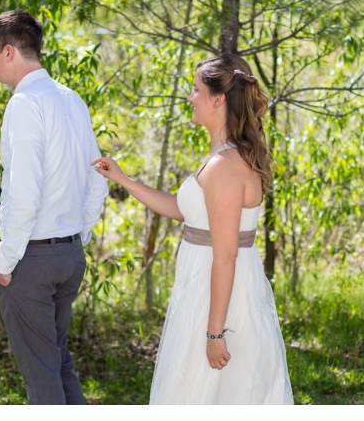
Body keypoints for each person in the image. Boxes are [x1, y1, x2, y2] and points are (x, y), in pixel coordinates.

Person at [92, 53, 293, 404]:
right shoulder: (224, 156)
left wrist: (215, 333)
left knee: (213, 392)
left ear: (219, 99)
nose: (190, 97)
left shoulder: (225, 165)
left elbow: (226, 253)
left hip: (217, 293)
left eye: (196, 89)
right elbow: (186, 211)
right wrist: (124, 180)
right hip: (205, 284)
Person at [0, 9, 106, 405]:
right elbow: (97, 178)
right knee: (56, 363)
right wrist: (76, 236)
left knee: (41, 375)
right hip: (69, 255)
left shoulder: (24, 104)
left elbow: (22, 193)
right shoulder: (72, 100)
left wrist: (6, 260)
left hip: (31, 262)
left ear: (10, 52)